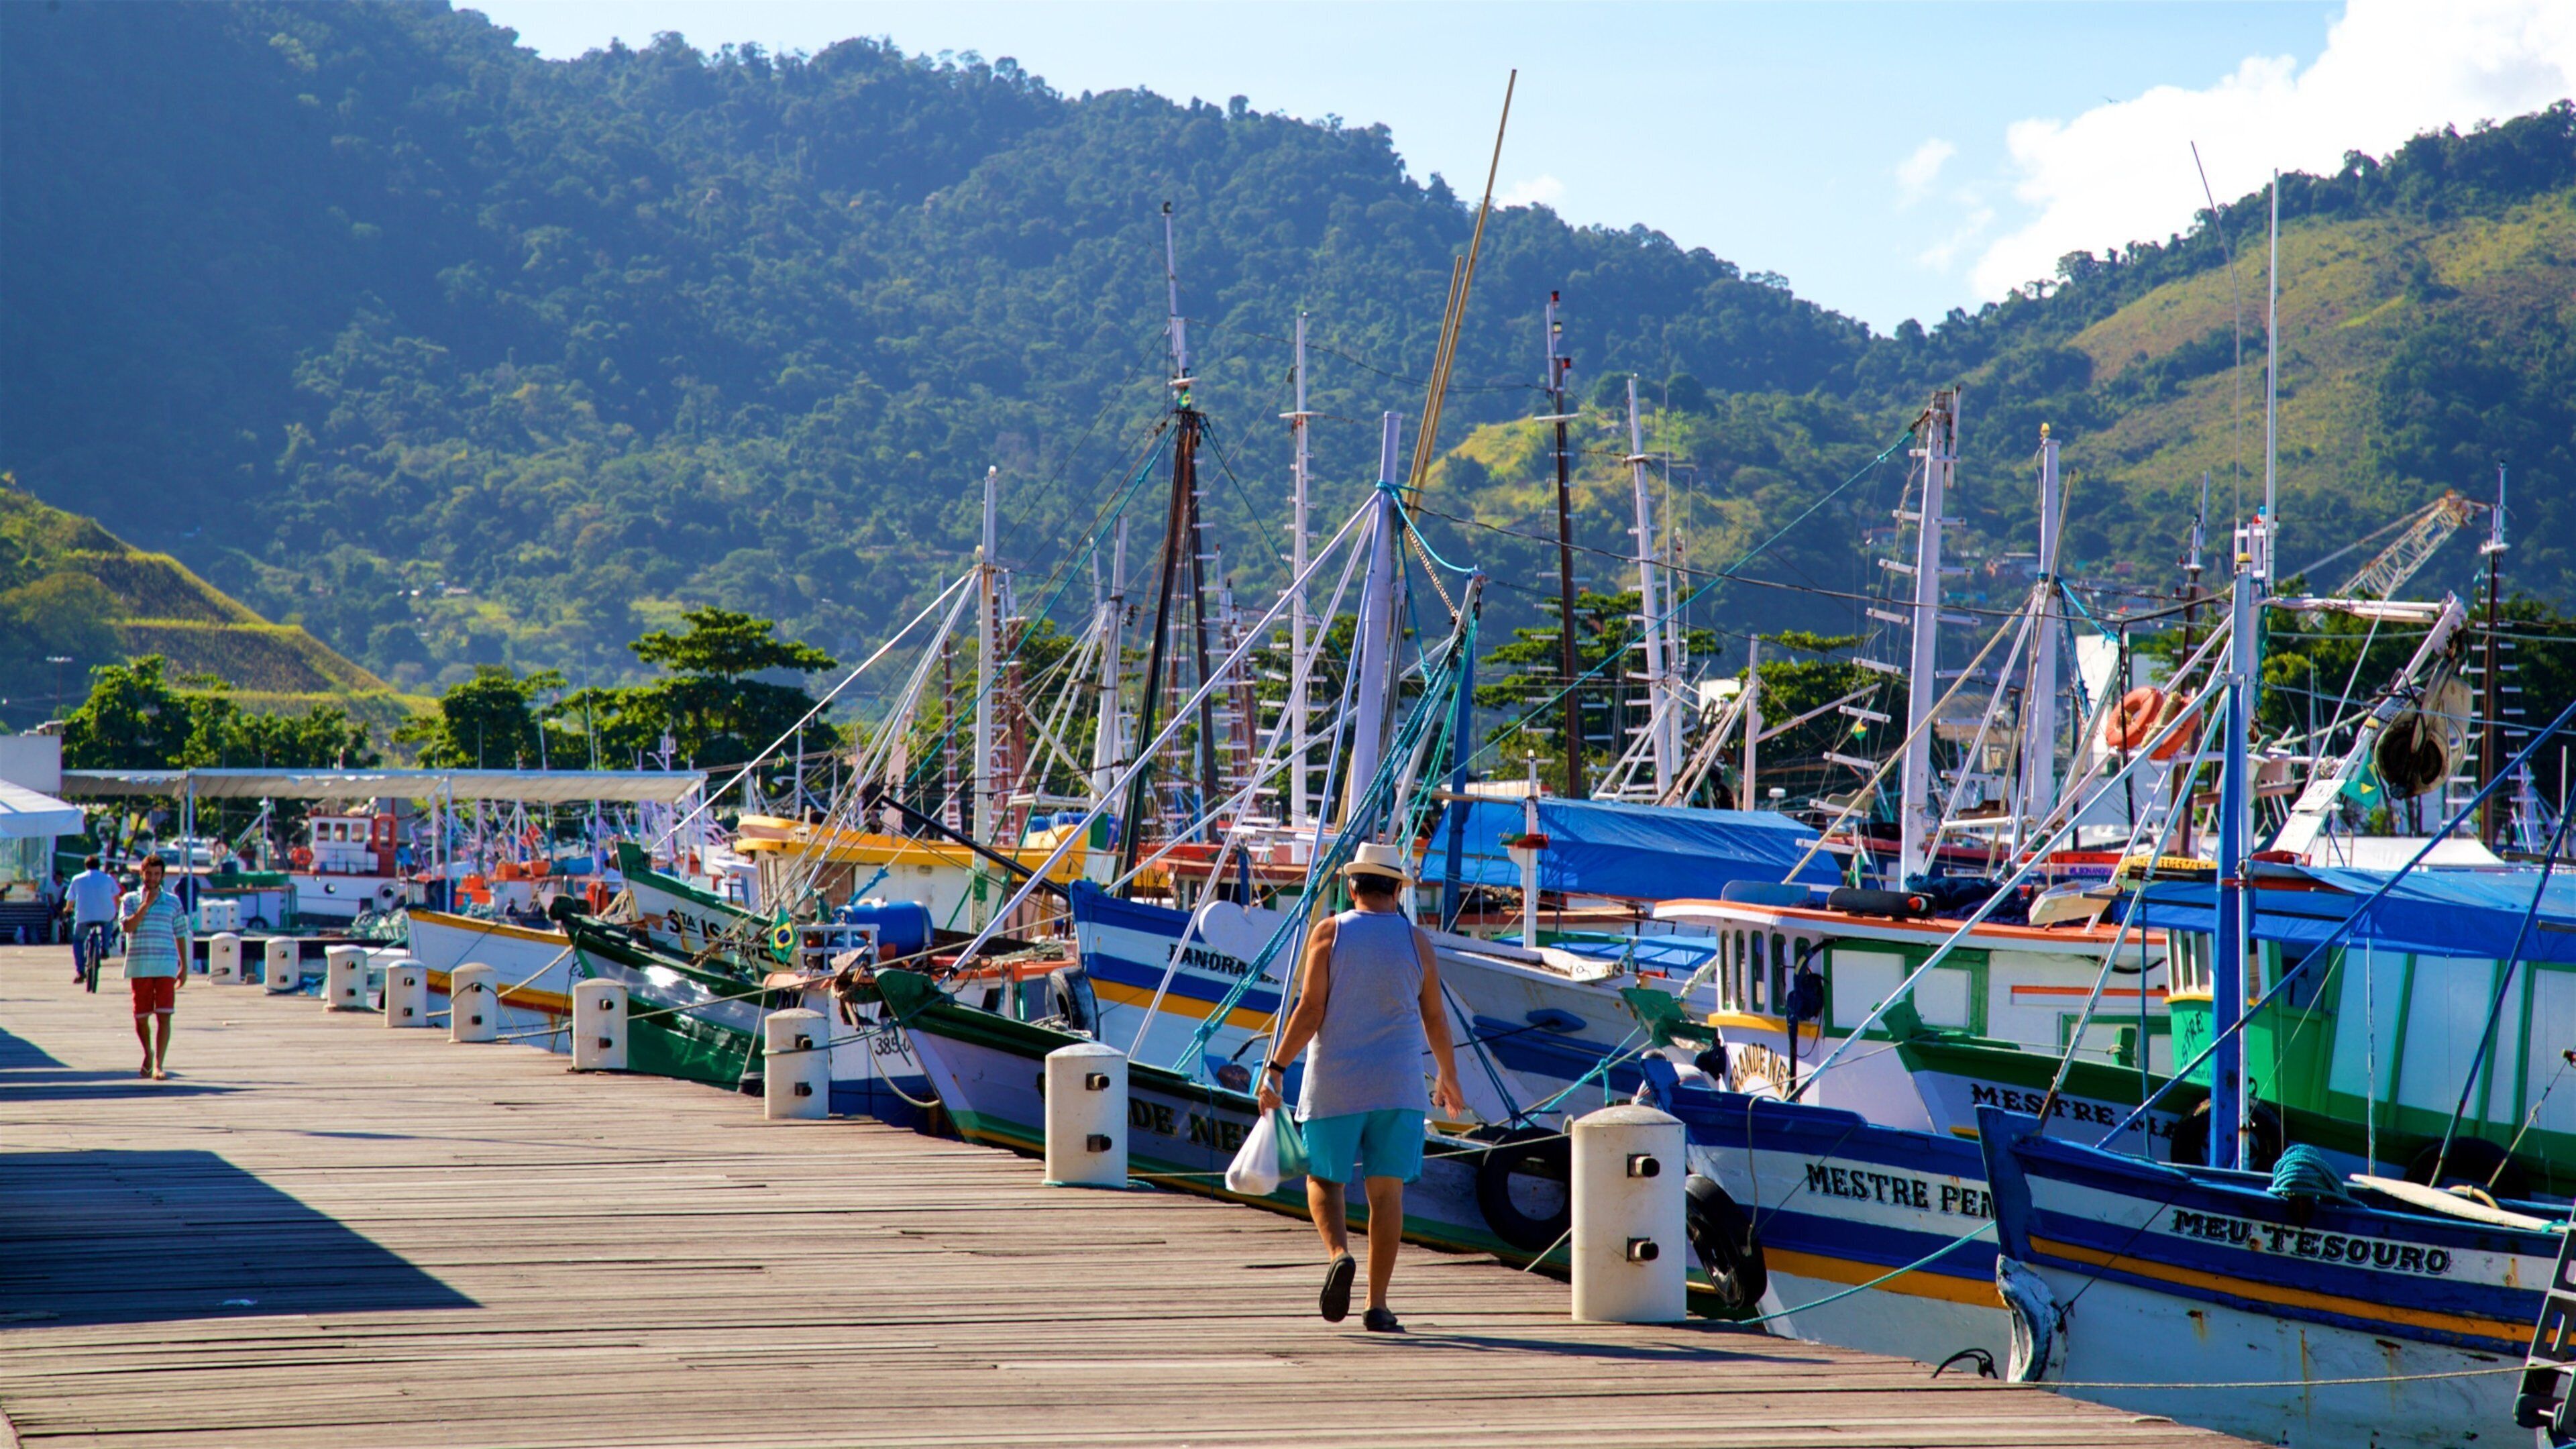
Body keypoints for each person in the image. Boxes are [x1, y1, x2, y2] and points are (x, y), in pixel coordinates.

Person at [1256, 841, 1467, 1333]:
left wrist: (1276, 1068)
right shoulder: (1418, 944)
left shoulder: (1330, 933)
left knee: (1324, 1180)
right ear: (1397, 888)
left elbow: (1311, 1010)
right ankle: (1378, 1304)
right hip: (1398, 1087)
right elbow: (1434, 1017)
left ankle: (1337, 1254)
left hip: (1336, 1083)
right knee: (1386, 1195)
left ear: (1352, 885)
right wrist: (1449, 1077)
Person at [119, 856, 191, 1079]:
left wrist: (184, 966)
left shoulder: (173, 902)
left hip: (166, 965)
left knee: (165, 1016)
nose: (152, 878)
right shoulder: (130, 899)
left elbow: (180, 933)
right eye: (149, 873)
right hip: (140, 966)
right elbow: (128, 926)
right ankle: (147, 1054)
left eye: (157, 874)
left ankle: (159, 1064)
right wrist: (146, 904)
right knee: (141, 1018)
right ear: (142, 874)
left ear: (163, 876)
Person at [61, 855, 121, 991]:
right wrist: (117, 910)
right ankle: (105, 948)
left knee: (78, 941)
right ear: (99, 866)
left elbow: (70, 900)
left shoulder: (77, 879)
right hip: (105, 915)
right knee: (108, 922)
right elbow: (116, 897)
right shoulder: (108, 878)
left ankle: (81, 971)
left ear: (85, 866)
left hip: (84, 916)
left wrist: (67, 910)